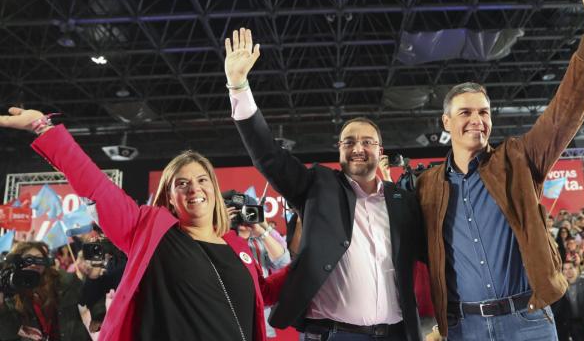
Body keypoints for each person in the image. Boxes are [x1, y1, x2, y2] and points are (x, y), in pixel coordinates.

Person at [418, 0, 584, 339]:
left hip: (527, 323)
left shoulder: (518, 160)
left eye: (484, 112)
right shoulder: (427, 187)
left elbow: (565, 111)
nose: (476, 120)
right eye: (465, 112)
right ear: (446, 122)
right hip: (464, 328)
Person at [0, 109, 288, 341]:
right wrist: (43, 128)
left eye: (202, 180)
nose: (194, 189)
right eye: (182, 183)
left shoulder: (235, 245)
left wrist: (315, 263)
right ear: (170, 197)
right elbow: (96, 186)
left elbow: (260, 294)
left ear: (213, 188)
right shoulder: (150, 230)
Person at [225, 28, 427, 340]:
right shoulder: (318, 186)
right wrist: (238, 86)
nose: (358, 147)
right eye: (349, 142)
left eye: (367, 141)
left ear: (380, 151)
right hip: (333, 334)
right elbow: (269, 155)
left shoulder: (402, 201)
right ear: (340, 150)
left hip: (396, 334)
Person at [0, 241, 91, 341]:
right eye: (29, 259)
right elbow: (6, 334)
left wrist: (93, 278)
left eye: (39, 258)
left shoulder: (64, 281)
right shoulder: (11, 291)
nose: (34, 264)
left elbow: (91, 296)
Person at [232, 205, 291, 338]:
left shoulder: (259, 242)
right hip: (231, 321)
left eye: (246, 213)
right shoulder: (219, 241)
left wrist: (260, 230)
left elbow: (284, 262)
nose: (242, 217)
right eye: (237, 213)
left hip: (260, 321)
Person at [552, 261, 584, 341]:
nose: (567, 271)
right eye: (565, 269)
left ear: (576, 268)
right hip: (572, 324)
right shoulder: (562, 286)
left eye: (570, 268)